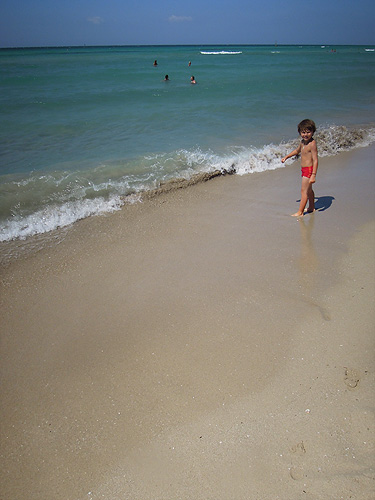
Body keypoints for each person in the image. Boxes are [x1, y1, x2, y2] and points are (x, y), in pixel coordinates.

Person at [281, 119, 318, 217]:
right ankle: (311, 207)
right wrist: (287, 157)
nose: (305, 135)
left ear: (313, 131)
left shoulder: (312, 144)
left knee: (304, 191)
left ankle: (300, 212)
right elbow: (297, 151)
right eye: (303, 132)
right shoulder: (302, 142)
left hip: (309, 170)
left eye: (308, 132)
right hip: (304, 169)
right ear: (300, 132)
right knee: (309, 190)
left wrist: (313, 175)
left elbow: (315, 160)